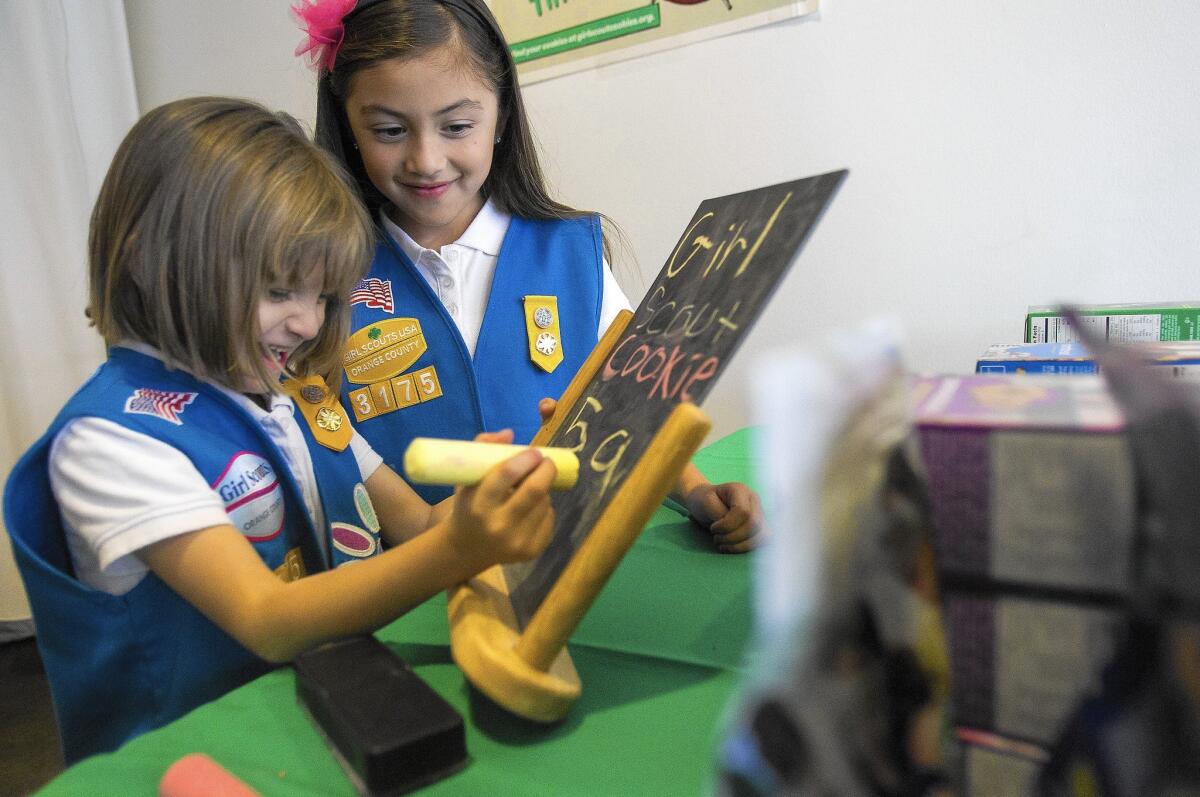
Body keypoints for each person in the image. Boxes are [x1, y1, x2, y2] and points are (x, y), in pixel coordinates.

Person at [3, 97, 557, 763]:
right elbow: (267, 619)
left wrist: (494, 498)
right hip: (191, 764)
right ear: (156, 262)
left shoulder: (294, 394)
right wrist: (460, 549)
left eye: (322, 298)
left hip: (323, 728)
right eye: (277, 292)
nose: (307, 326)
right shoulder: (111, 441)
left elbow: (418, 525)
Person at [294, 0, 763, 552]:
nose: (426, 159)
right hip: (402, 592)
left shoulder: (572, 252)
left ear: (502, 117)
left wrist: (697, 492)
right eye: (390, 130)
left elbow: (631, 410)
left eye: (457, 126)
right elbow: (317, 435)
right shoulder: (316, 281)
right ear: (348, 129)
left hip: (561, 568)